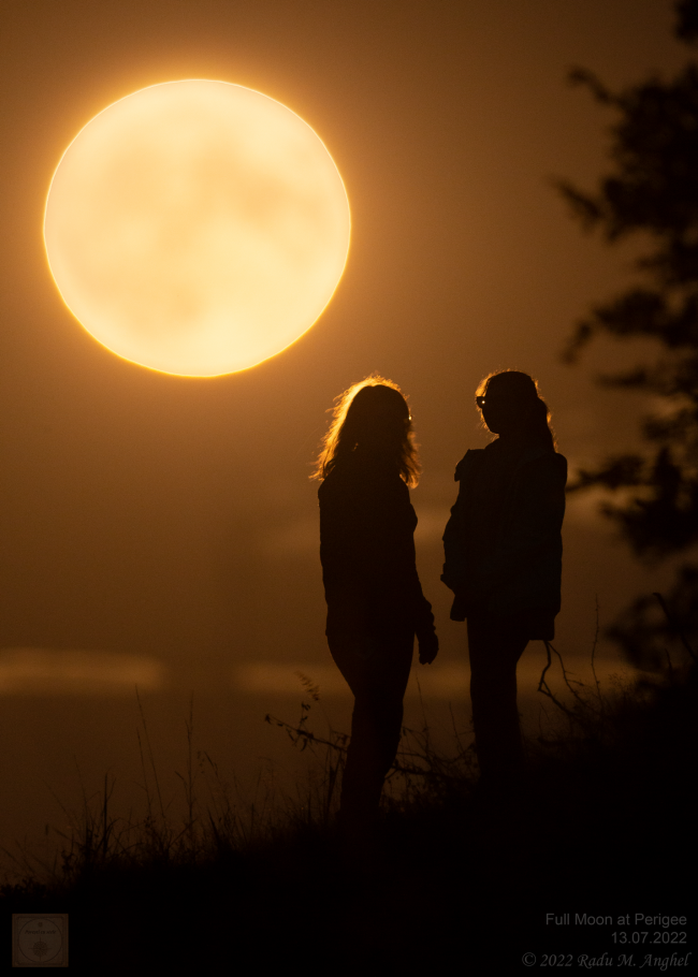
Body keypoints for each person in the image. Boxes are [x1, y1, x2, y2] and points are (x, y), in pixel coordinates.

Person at [313, 376, 438, 837]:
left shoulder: (364, 478)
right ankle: (357, 824)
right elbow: (354, 563)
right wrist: (409, 622)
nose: (400, 428)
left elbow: (399, 564)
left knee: (380, 718)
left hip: (380, 620)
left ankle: (358, 820)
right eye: (392, 420)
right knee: (378, 720)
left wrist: (419, 620)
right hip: (369, 622)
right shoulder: (360, 482)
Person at [442, 370, 567, 791]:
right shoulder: (481, 462)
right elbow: (457, 524)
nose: (488, 409)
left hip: (508, 597)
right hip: (481, 594)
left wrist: (482, 580)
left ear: (520, 407)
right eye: (483, 402)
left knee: (492, 691)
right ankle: (499, 782)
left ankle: (504, 786)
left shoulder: (541, 464)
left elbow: (531, 536)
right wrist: (458, 573)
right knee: (488, 692)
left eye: (495, 401)